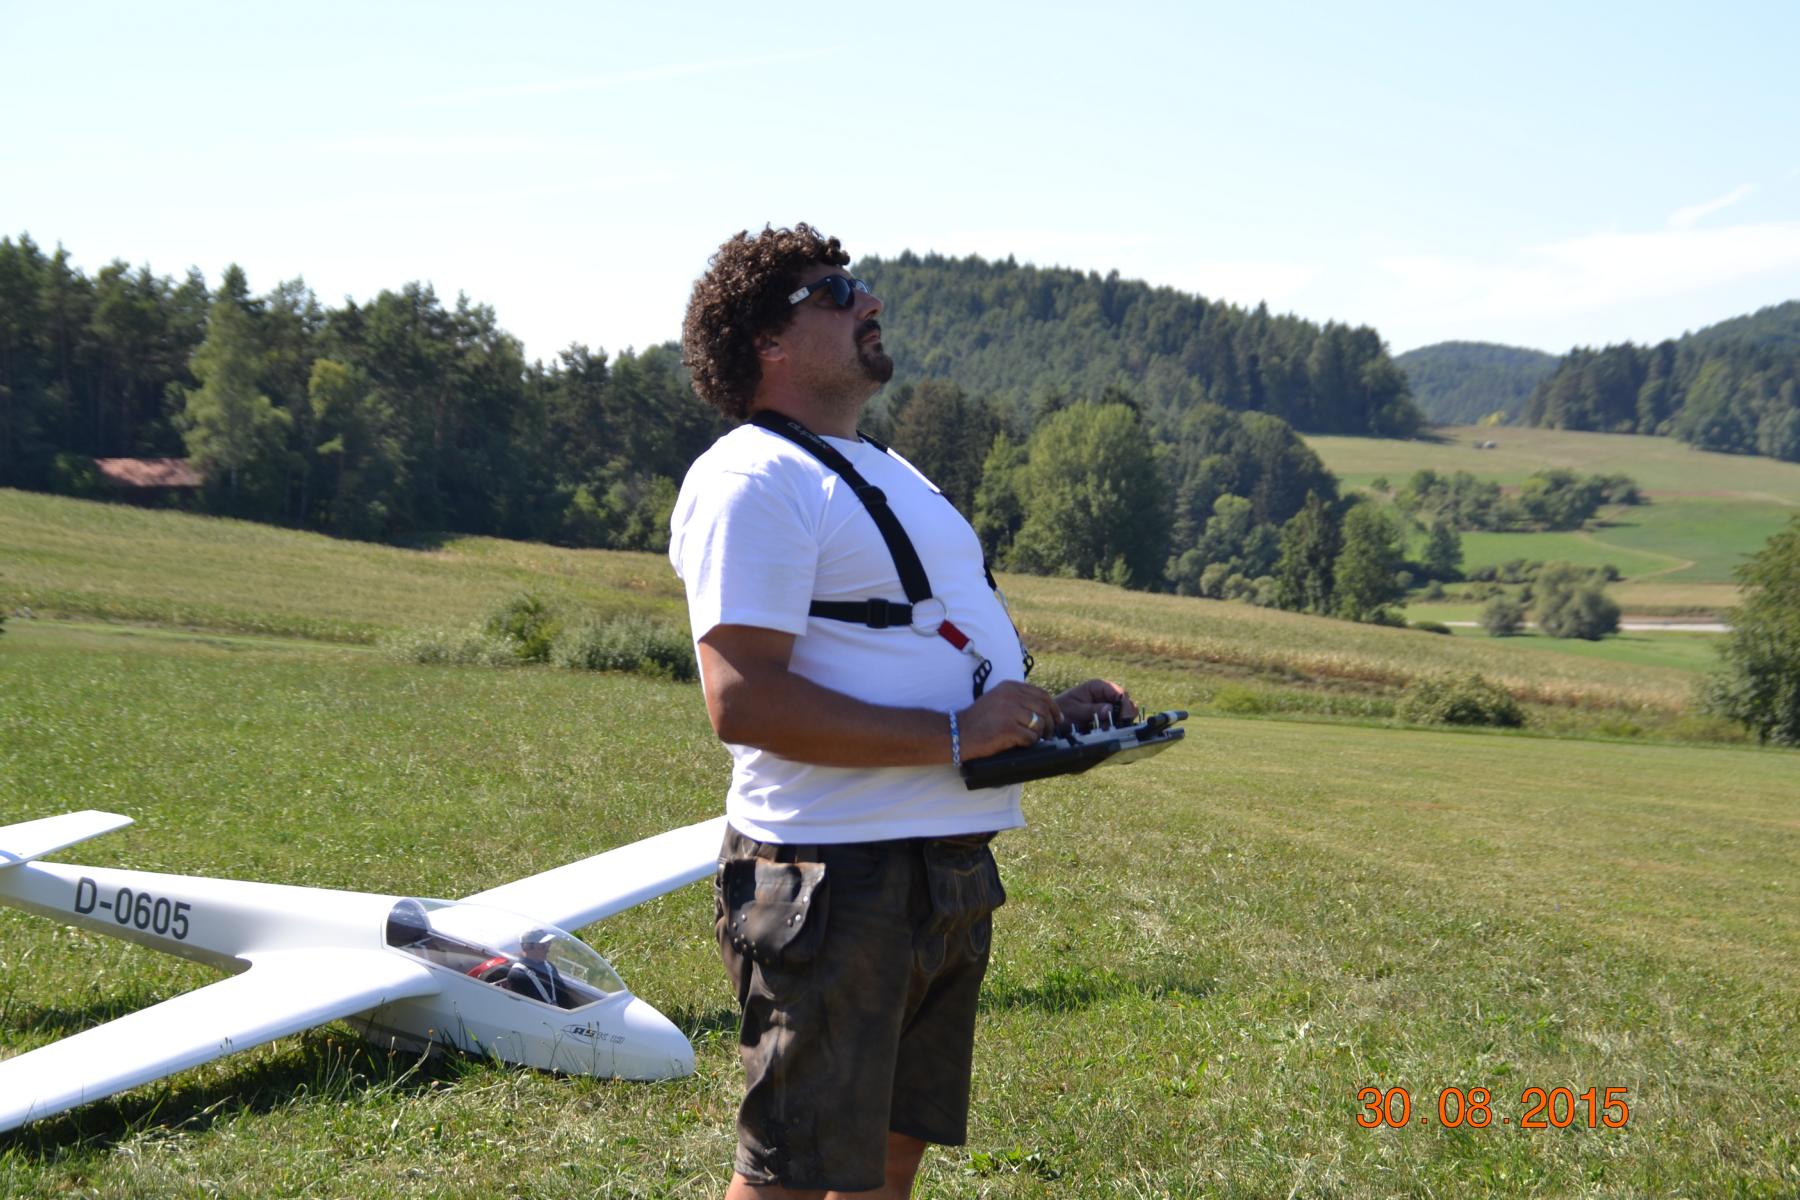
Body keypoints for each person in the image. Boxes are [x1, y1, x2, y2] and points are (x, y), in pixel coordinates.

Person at [671, 224, 1135, 1198]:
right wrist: (959, 735)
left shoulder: (888, 468)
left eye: (861, 285)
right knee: (792, 1170)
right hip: (832, 873)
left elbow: (916, 646)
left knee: (891, 1153)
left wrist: (1045, 715)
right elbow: (741, 697)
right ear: (767, 341)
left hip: (944, 867)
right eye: (835, 293)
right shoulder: (753, 477)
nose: (870, 301)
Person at [504, 929, 566, 1006]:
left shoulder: (549, 967)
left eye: (548, 944)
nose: (548, 950)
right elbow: (522, 1007)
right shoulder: (517, 974)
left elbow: (563, 994)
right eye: (543, 946)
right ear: (528, 947)